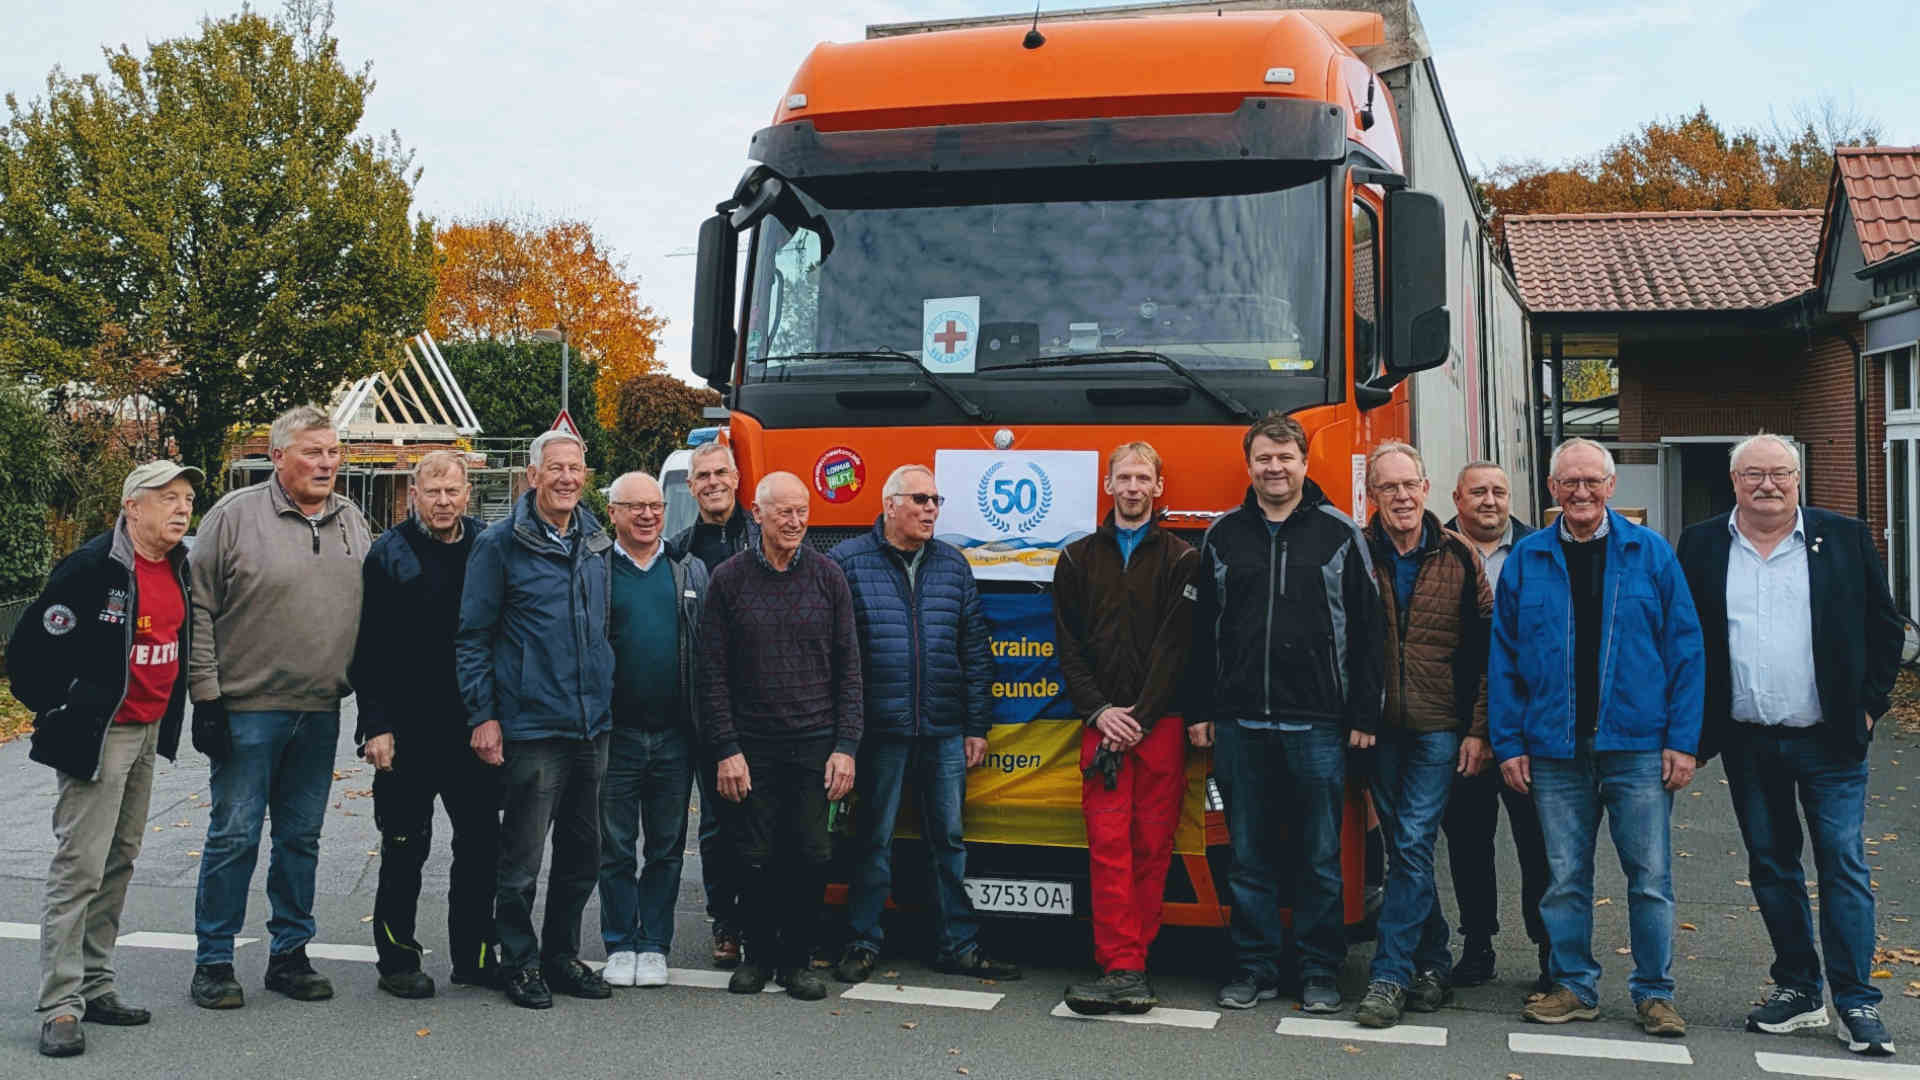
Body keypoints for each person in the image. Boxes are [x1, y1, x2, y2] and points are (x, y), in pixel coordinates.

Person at [1678, 433, 1902, 1057]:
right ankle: (1800, 990)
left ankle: (1857, 1000)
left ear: (1798, 479)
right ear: (1734, 482)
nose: (1767, 485)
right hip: (1748, 741)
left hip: (1829, 740)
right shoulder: (1701, 544)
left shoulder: (1845, 537)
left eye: (1779, 473)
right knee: (1773, 868)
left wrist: (1868, 704)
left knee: (1842, 866)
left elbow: (1886, 627)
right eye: (1753, 475)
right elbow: (1685, 637)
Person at [1490, 437, 1704, 1037]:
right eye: (1568, 483)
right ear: (1552, 490)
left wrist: (1682, 741)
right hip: (1554, 750)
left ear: (1611, 487)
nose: (1580, 492)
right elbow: (1502, 662)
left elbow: (1686, 652)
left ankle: (1655, 993)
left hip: (1637, 747)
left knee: (1651, 880)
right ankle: (1575, 986)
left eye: (1592, 481)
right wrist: (1510, 743)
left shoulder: (1651, 554)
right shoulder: (1527, 560)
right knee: (1564, 879)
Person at [1189, 412, 1383, 1013]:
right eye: (1264, 459)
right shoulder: (1222, 535)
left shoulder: (1341, 534)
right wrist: (1201, 710)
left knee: (1320, 857)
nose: (1275, 468)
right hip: (1240, 724)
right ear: (1250, 466)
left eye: (1285, 458)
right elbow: (1200, 634)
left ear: (1304, 463)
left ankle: (1320, 971)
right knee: (1248, 856)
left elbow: (1371, 633)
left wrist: (1363, 716)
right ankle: (1254, 968)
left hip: (1318, 725)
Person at [10, 461, 200, 1057]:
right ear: (132, 507)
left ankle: (96, 984)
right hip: (101, 735)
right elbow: (28, 654)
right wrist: (62, 709)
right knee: (80, 869)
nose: (181, 508)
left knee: (119, 862)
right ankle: (60, 1004)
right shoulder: (92, 567)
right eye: (167, 498)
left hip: (145, 734)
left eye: (188, 499)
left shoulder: (178, 565)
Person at [189, 406, 371, 1010]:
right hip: (247, 709)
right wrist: (206, 696)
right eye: (313, 452)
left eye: (334, 452)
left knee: (302, 838)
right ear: (277, 457)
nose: (327, 463)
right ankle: (214, 960)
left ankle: (289, 954)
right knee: (234, 835)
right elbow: (199, 608)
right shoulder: (233, 517)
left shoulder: (352, 520)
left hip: (319, 709)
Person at [829, 465, 1014, 985]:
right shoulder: (847, 562)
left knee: (949, 841)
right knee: (873, 839)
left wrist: (977, 725)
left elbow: (974, 650)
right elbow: (835, 653)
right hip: (879, 730)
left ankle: (957, 944)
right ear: (890, 505)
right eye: (921, 499)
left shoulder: (953, 565)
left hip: (943, 730)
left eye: (937, 499)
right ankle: (863, 942)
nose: (932, 508)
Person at [456, 429, 616, 1010]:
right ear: (532, 476)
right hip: (531, 727)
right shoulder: (500, 544)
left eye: (576, 467)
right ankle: (518, 961)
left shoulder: (597, 540)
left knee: (583, 856)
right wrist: (484, 716)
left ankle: (561, 955)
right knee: (521, 859)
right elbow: (473, 637)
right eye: (556, 468)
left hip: (590, 726)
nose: (567, 478)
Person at [696, 471, 862, 1002]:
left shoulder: (828, 576)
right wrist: (726, 749)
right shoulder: (728, 579)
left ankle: (797, 960)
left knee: (811, 854)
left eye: (802, 512)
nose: (795, 522)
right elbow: (711, 672)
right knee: (753, 854)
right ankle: (758, 955)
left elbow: (850, 668)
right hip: (751, 745)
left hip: (816, 741)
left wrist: (846, 746)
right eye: (784, 512)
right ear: (759, 514)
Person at [1053, 443, 1200, 1015]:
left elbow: (1177, 649)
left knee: (1151, 849)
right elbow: (1067, 648)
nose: (1134, 487)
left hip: (1156, 727)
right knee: (1107, 849)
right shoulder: (1074, 560)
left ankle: (1132, 960)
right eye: (1124, 477)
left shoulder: (1184, 560)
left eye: (1144, 478)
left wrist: (1135, 717)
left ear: (1159, 487)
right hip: (1102, 729)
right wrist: (1099, 713)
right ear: (1108, 485)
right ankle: (1122, 966)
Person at [350, 450, 500, 998]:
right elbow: (369, 649)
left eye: (452, 491)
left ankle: (476, 956)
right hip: (407, 732)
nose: (443, 501)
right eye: (431, 492)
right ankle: (397, 962)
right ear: (413, 494)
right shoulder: (387, 555)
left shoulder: (487, 545)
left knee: (482, 846)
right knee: (404, 846)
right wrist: (377, 726)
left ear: (467, 493)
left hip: (472, 729)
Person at [1353, 442, 1493, 1029]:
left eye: (1409, 485)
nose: (1402, 497)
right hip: (1379, 728)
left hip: (1440, 726)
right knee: (1405, 848)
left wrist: (1479, 731)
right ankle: (1433, 961)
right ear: (1373, 496)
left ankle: (1388, 976)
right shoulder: (1355, 554)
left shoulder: (1459, 555)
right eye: (1389, 488)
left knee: (1411, 844)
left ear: (1427, 488)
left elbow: (1488, 653)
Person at [1440, 460, 1550, 992]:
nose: (1489, 501)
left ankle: (1550, 950)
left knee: (1540, 845)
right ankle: (1477, 944)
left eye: (1499, 492)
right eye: (1478, 492)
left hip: (1530, 727)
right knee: (1467, 841)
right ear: (1456, 498)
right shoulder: (1434, 549)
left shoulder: (1541, 550)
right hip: (1458, 726)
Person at [597, 471, 708, 989]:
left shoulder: (689, 571)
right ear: (613, 512)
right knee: (615, 846)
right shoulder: (595, 571)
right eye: (634, 506)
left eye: (655, 506)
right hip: (614, 735)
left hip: (673, 737)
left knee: (666, 846)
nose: (647, 515)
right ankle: (620, 941)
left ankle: (654, 943)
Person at [668, 440, 751, 967]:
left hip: (765, 711)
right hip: (702, 713)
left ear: (738, 478)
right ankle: (726, 921)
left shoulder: (764, 541)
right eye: (703, 475)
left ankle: (767, 919)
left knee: (765, 821)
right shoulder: (677, 552)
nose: (713, 481)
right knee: (718, 826)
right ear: (692, 485)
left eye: (722, 472)